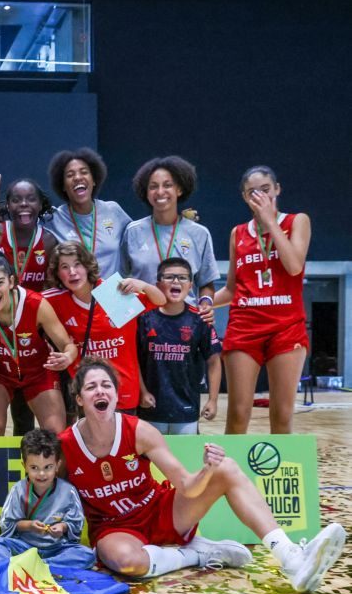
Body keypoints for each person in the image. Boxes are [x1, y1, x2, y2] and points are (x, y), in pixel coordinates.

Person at [60, 356, 346, 592]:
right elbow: (51, 493)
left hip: (159, 510)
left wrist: (207, 470)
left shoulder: (140, 431)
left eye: (106, 385)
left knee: (225, 468)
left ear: (116, 395)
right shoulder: (66, 445)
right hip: (113, 527)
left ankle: (290, 556)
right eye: (91, 387)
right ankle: (199, 553)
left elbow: (186, 484)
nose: (100, 391)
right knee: (128, 564)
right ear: (80, 399)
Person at [212, 166, 310, 434]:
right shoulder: (238, 233)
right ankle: (231, 476)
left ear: (277, 189)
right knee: (238, 413)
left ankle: (277, 475)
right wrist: (203, 303)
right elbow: (231, 290)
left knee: (281, 415)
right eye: (252, 193)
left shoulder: (297, 221)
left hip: (286, 326)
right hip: (245, 327)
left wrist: (270, 223)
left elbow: (293, 266)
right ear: (245, 197)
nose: (260, 197)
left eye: (265, 190)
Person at [44, 242, 165, 414]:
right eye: (65, 267)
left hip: (123, 390)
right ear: (58, 273)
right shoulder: (55, 300)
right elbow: (24, 303)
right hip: (88, 391)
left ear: (87, 266)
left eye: (77, 264)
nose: (72, 272)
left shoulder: (112, 292)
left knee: (123, 439)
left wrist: (142, 285)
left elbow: (160, 300)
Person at [0, 254, 76, 434]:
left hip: (38, 372)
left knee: (55, 432)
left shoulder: (36, 305)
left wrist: (67, 357)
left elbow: (69, 345)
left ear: (11, 282)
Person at [120, 156, 218, 313]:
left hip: (186, 327)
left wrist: (206, 302)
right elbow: (119, 279)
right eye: (153, 186)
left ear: (179, 189)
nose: (160, 192)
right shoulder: (133, 232)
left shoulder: (199, 234)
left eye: (167, 185)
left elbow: (206, 283)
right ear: (146, 192)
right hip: (144, 325)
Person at [0, 428, 94, 569]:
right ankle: (29, 565)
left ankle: (40, 566)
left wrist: (62, 527)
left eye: (48, 467)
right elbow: (7, 525)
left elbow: (76, 525)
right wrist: (29, 525)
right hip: (25, 548)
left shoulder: (68, 491)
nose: (41, 474)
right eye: (34, 468)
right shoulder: (18, 490)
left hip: (57, 548)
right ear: (24, 466)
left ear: (57, 465)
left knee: (87, 555)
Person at [137, 258, 222, 435]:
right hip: (151, 407)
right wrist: (142, 392)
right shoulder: (144, 319)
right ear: (158, 284)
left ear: (191, 285)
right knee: (152, 460)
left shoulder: (200, 320)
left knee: (184, 460)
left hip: (186, 408)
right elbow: (134, 359)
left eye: (182, 278)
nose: (176, 281)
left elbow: (214, 360)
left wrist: (213, 399)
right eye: (169, 277)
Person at [43, 148, 131, 279]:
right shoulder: (53, 218)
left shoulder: (113, 210)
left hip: (113, 296)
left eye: (84, 172)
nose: (78, 177)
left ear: (94, 180)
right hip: (75, 296)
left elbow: (135, 242)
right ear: (62, 186)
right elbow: (18, 232)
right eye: (70, 175)